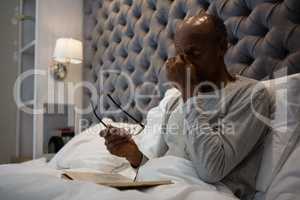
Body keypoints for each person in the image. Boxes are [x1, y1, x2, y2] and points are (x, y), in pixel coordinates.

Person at [99, 12, 271, 200]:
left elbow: (211, 170)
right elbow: (166, 166)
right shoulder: (175, 100)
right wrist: (134, 155)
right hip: (161, 188)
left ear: (222, 46)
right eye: (180, 56)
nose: (186, 64)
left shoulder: (251, 95)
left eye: (194, 53)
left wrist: (189, 92)